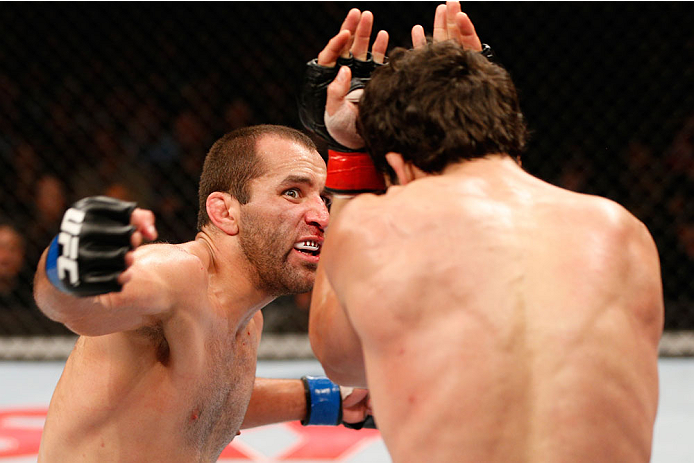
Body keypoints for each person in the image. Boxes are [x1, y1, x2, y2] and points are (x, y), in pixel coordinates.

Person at [305, 3, 664, 462]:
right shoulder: (620, 231)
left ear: (398, 164)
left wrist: (348, 154)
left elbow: (341, 361)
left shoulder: (378, 226)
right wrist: (468, 91)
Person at [33, 124, 372, 462]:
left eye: (325, 199)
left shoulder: (249, 319)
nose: (322, 216)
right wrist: (66, 263)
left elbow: (209, 402)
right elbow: (71, 308)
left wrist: (328, 401)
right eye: (293, 193)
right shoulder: (175, 275)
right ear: (224, 211)